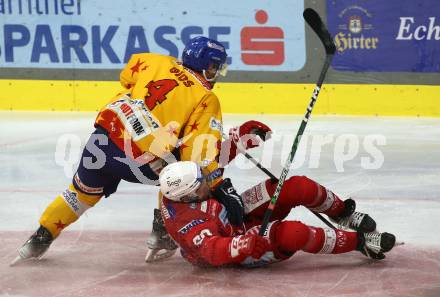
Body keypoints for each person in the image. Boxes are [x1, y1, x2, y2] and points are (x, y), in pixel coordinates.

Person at [12, 36, 270, 264]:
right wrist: (219, 183)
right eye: (215, 67)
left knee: (79, 195)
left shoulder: (154, 61)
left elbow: (127, 77)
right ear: (206, 65)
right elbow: (199, 156)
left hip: (102, 142)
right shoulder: (206, 97)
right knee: (183, 172)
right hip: (141, 162)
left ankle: (41, 236)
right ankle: (161, 231)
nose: (216, 73)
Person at [158, 161, 396, 267]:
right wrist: (242, 244)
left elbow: (211, 164)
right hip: (240, 247)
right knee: (293, 233)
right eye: (201, 184)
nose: (207, 184)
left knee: (297, 186)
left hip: (235, 216)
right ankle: (360, 243)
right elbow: (211, 250)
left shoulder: (184, 187)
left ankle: (341, 213)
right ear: (187, 197)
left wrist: (239, 137)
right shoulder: (186, 221)